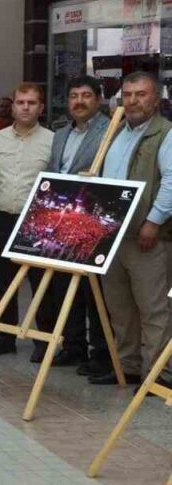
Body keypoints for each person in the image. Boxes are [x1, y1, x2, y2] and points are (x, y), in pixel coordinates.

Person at [94, 71, 172, 388]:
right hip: (113, 235)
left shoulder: (165, 134)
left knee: (153, 308)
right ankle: (128, 366)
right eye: (127, 95)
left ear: (156, 99)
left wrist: (153, 221)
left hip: (147, 236)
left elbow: (171, 181)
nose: (133, 101)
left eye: (141, 94)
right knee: (121, 307)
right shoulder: (116, 132)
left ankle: (159, 375)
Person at [37, 75, 111, 371]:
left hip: (94, 219)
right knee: (64, 285)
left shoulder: (112, 131)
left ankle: (101, 352)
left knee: (95, 291)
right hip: (64, 221)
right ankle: (73, 345)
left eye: (86, 96)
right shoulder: (60, 133)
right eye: (74, 96)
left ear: (98, 99)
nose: (79, 102)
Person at [0, 83, 53, 358]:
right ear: (13, 106)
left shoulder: (52, 141)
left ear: (40, 108)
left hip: (37, 221)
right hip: (1, 217)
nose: (25, 107)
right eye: (20, 102)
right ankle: (5, 338)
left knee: (40, 282)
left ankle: (43, 341)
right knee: (3, 281)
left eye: (31, 103)